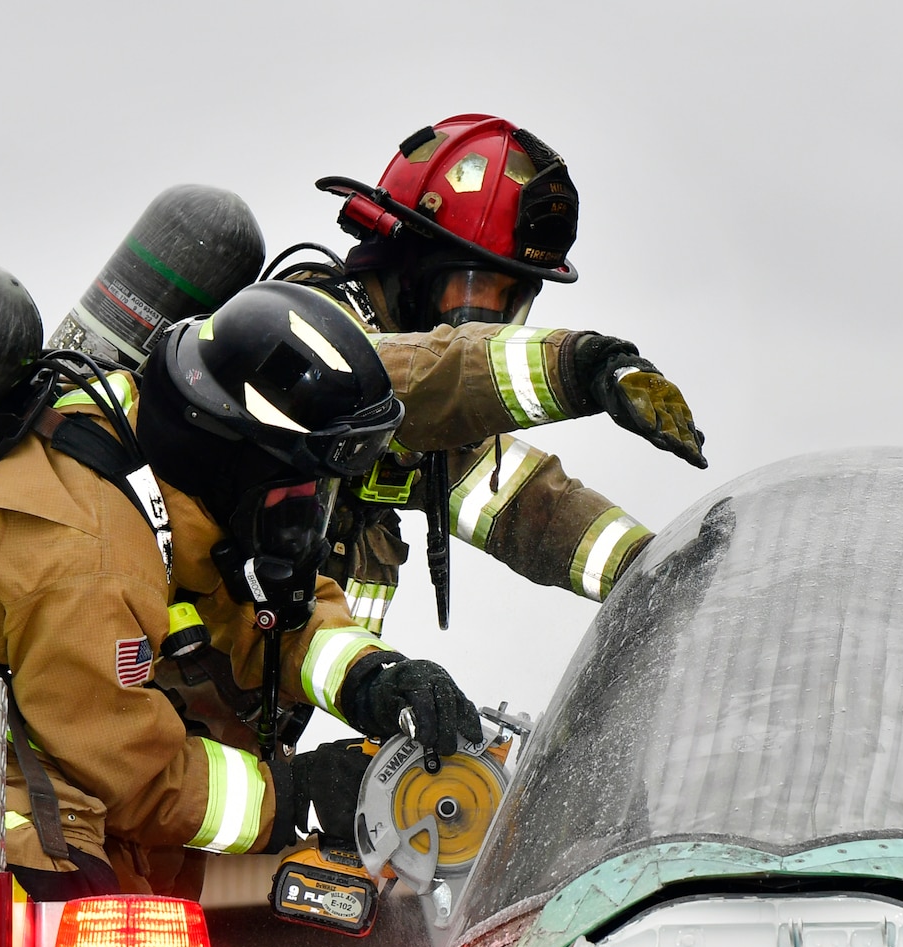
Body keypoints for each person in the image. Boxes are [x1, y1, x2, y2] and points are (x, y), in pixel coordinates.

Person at [0, 284, 491, 898]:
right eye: (304, 486)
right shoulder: (89, 559)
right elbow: (132, 775)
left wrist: (374, 678)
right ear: (240, 462)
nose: (311, 510)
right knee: (85, 909)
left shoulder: (154, 447)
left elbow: (247, 605)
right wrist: (296, 797)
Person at [278, 114, 705, 630]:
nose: (492, 320)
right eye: (481, 287)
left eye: (514, 298)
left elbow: (532, 510)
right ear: (413, 265)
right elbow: (411, 373)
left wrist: (663, 573)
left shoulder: (416, 429)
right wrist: (581, 365)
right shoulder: (300, 332)